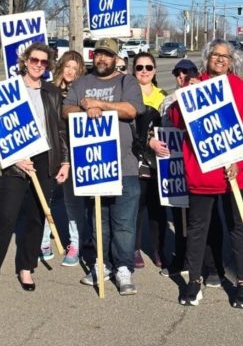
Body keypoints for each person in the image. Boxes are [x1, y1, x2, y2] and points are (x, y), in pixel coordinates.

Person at [169, 40, 243, 308]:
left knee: (238, 227)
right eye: (215, 55)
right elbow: (177, 122)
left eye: (225, 56)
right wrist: (183, 95)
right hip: (202, 173)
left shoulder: (240, 88)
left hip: (235, 173)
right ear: (206, 57)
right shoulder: (194, 85)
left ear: (232, 61)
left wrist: (241, 159)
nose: (220, 59)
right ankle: (194, 280)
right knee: (198, 228)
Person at [0, 43, 70, 301]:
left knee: (36, 218)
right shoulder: (10, 90)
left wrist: (65, 162)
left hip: (45, 159)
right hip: (17, 159)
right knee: (7, 218)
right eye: (34, 60)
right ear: (25, 61)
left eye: (43, 62)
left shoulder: (52, 92)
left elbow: (60, 131)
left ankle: (26, 268)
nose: (38, 65)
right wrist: (15, 158)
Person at [63, 38, 144, 296]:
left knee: (123, 223)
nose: (102, 59)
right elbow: (66, 111)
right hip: (93, 163)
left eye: (107, 55)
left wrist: (101, 105)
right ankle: (102, 264)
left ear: (115, 58)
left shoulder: (126, 82)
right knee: (100, 220)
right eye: (99, 54)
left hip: (124, 164)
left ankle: (123, 267)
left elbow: (132, 110)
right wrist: (83, 108)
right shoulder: (82, 82)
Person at [155, 59, 225, 288]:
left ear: (196, 74)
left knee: (207, 219)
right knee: (180, 217)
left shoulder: (206, 95)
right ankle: (182, 259)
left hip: (202, 167)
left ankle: (214, 266)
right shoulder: (167, 101)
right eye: (179, 73)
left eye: (188, 72)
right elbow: (165, 129)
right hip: (176, 165)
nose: (183, 77)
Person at [42, 50, 87, 266]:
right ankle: (43, 241)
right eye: (67, 67)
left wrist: (68, 159)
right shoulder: (48, 89)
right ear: (61, 67)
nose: (70, 72)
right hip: (50, 151)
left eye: (75, 69)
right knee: (45, 199)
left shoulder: (81, 93)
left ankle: (75, 243)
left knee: (72, 201)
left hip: (73, 151)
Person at [132, 52, 167, 269]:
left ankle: (159, 249)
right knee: (136, 207)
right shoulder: (128, 95)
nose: (144, 71)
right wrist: (148, 142)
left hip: (159, 163)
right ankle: (134, 248)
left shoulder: (163, 95)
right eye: (139, 67)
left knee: (158, 208)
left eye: (148, 67)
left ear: (154, 70)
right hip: (135, 160)